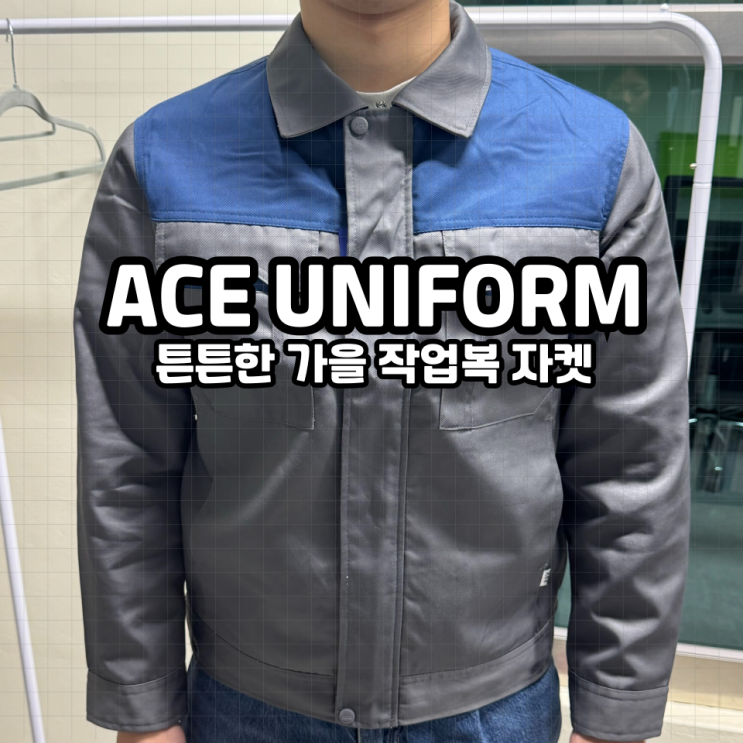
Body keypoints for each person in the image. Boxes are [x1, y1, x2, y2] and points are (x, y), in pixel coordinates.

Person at [73, 0, 691, 742]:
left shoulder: (592, 158)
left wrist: (615, 712)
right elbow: (128, 462)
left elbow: (631, 465)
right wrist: (141, 708)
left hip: (494, 712)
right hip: (243, 708)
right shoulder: (163, 159)